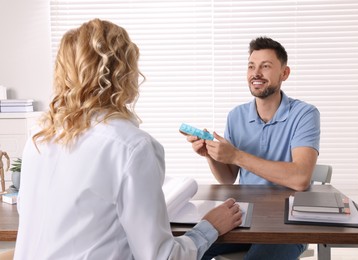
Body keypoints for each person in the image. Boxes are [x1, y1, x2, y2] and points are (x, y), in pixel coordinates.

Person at [13, 19, 243, 260]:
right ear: (124, 73)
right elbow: (161, 257)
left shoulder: (39, 137)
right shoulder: (132, 146)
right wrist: (209, 227)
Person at [183, 37, 320, 260]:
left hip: (289, 222)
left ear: (284, 73)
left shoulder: (305, 114)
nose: (256, 73)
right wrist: (212, 155)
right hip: (244, 215)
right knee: (189, 248)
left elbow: (301, 178)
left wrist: (236, 155)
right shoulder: (236, 116)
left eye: (265, 66)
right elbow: (228, 179)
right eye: (251, 66)